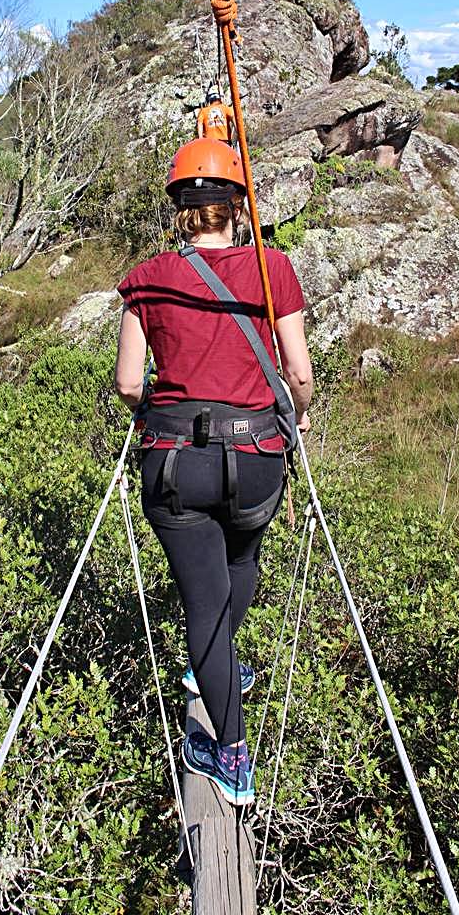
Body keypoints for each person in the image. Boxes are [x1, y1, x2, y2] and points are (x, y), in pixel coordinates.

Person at [114, 138, 312, 806]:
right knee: (240, 562)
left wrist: (165, 405)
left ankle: (229, 752)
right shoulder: (272, 267)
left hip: (175, 465)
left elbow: (126, 384)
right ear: (237, 206)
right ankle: (219, 675)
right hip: (257, 459)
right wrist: (299, 416)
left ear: (180, 210)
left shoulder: (146, 279)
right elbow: (299, 374)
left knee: (202, 600)